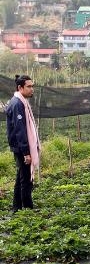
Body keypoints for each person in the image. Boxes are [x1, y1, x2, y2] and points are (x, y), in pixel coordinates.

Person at [5, 75, 41, 212]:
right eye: (29, 86)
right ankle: (27, 208)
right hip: (20, 148)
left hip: (20, 147)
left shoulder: (21, 102)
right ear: (20, 88)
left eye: (32, 86)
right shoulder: (17, 104)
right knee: (25, 179)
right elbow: (20, 130)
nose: (32, 89)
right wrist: (26, 152)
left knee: (22, 176)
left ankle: (17, 207)